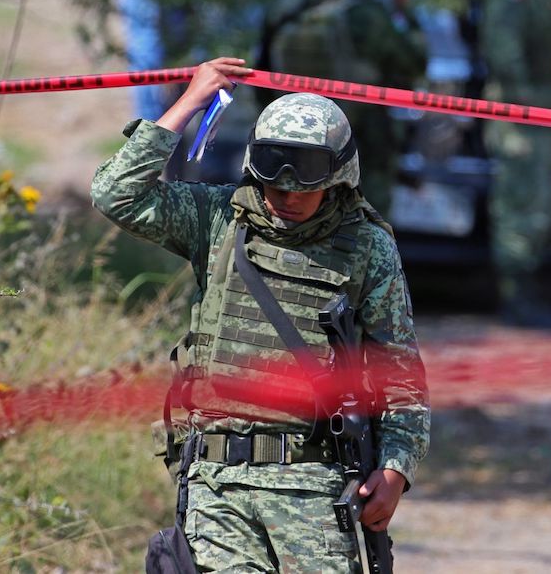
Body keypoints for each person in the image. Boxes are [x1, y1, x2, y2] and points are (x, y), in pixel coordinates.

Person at [91, 57, 429, 572]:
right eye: (275, 180)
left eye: (305, 183)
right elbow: (116, 193)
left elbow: (399, 372)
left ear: (338, 176)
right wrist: (192, 100)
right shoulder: (217, 218)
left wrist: (396, 467)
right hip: (216, 485)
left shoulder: (366, 247)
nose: (287, 196)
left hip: (314, 489)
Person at [257, 0, 427, 216]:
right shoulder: (367, 14)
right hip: (359, 146)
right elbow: (414, 63)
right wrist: (405, 11)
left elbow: (263, 78)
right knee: (365, 221)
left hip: (291, 143)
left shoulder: (285, 9)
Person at [480, 0, 551, 329]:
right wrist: (531, 103)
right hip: (521, 121)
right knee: (520, 210)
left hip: (541, 117)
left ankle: (528, 293)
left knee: (541, 209)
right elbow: (505, 56)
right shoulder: (510, 0)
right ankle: (516, 299)